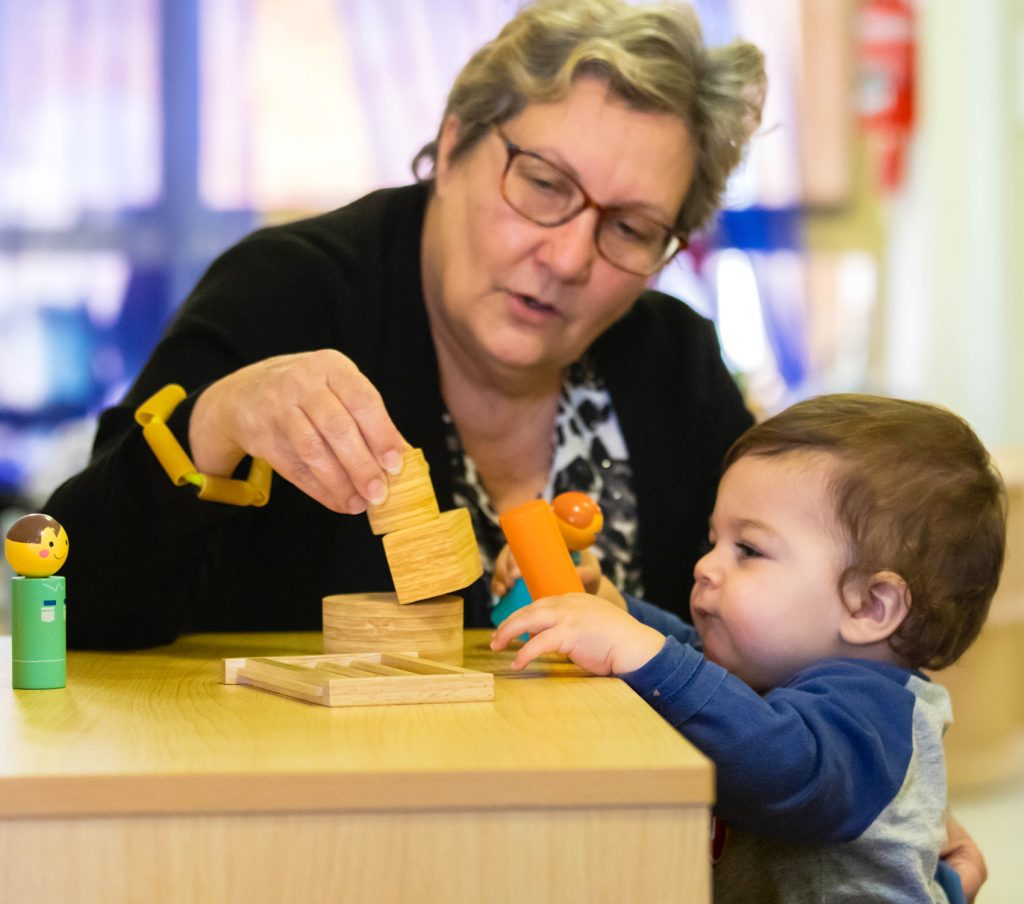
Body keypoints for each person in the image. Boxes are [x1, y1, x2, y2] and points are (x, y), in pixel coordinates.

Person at [43, 0, 765, 647]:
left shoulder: (676, 361)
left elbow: (786, 654)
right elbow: (69, 601)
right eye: (544, 184)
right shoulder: (290, 292)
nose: (570, 256)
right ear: (452, 148)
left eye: (632, 228)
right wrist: (217, 423)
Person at [491, 394, 1006, 904]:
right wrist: (612, 612)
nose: (705, 567)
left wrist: (636, 649)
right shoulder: (770, 671)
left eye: (749, 550)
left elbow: (784, 768)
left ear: (870, 606)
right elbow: (694, 658)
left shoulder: (873, 709)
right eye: (713, 541)